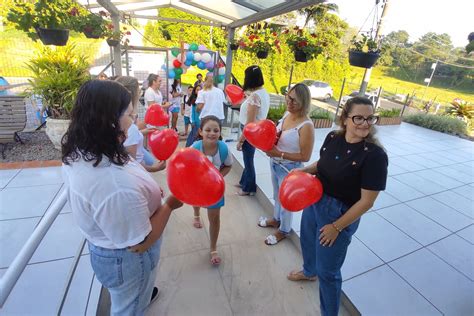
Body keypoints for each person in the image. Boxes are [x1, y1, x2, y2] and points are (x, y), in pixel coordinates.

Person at [61, 80, 183, 315]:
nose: (135, 118)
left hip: (110, 251)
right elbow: (139, 244)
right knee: (129, 309)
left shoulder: (86, 149)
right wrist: (169, 204)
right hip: (127, 261)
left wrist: (149, 179)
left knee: (133, 296)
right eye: (129, 114)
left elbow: (127, 168)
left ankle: (141, 293)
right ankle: (138, 295)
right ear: (109, 121)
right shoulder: (113, 186)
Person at [287, 96, 388, 316]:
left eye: (370, 118)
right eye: (358, 118)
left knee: (329, 271)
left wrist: (337, 227)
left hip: (340, 213)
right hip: (315, 199)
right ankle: (308, 271)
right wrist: (303, 172)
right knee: (307, 241)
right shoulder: (333, 137)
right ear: (344, 119)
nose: (365, 123)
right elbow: (322, 164)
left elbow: (366, 202)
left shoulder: (375, 156)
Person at [259, 83, 314, 245]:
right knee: (277, 196)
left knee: (287, 202)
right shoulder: (287, 114)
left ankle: (284, 230)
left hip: (289, 169)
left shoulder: (306, 126)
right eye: (288, 98)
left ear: (303, 103)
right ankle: (276, 220)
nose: (289, 103)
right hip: (275, 163)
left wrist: (279, 153)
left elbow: (305, 156)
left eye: (294, 101)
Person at [190, 115, 233, 265]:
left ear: (220, 132)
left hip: (215, 189)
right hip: (197, 186)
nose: (212, 133)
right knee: (195, 202)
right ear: (201, 131)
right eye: (208, 129)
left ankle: (213, 248)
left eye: (216, 130)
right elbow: (186, 167)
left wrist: (218, 177)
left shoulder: (223, 148)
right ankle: (196, 214)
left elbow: (228, 165)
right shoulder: (195, 148)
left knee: (214, 218)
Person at [115, 76, 166, 173]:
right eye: (138, 90)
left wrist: (142, 131)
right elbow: (133, 164)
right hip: (136, 172)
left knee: (149, 159)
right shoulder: (130, 128)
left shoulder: (117, 118)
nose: (140, 93)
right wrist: (155, 169)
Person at [236, 65, 270, 196]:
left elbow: (250, 122)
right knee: (247, 157)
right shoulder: (263, 92)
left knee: (248, 160)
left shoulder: (255, 96)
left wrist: (241, 140)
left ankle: (249, 187)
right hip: (255, 130)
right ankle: (244, 181)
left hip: (251, 132)